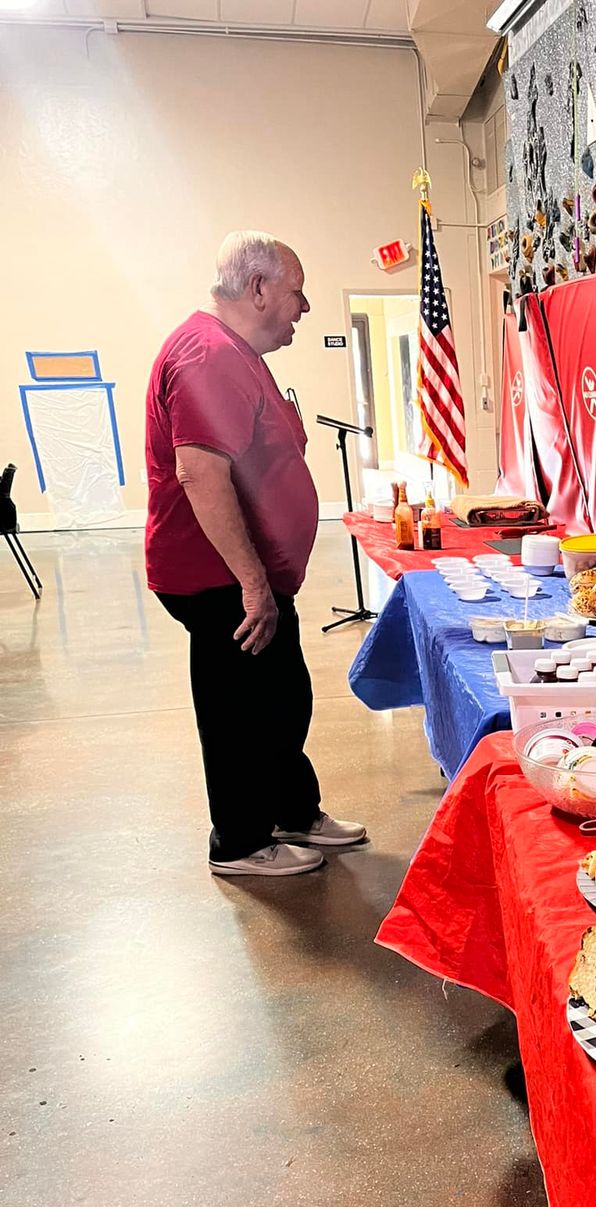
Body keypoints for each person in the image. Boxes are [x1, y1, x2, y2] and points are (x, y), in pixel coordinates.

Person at [145, 231, 366, 877]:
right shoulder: (207, 353)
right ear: (259, 287)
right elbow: (200, 474)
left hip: (251, 576)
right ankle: (239, 842)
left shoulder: (233, 352)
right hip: (219, 580)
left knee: (280, 698)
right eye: (296, 291)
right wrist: (251, 585)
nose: (304, 306)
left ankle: (291, 812)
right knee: (239, 710)